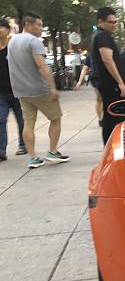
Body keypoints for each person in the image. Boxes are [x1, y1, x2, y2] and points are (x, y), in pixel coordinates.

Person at [7, 12, 69, 168]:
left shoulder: (12, 42)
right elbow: (42, 65)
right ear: (28, 25)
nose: (41, 28)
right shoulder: (34, 41)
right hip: (40, 89)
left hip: (21, 91)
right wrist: (52, 87)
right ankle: (53, 152)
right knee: (55, 118)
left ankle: (33, 158)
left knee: (28, 123)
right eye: (39, 25)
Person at [90, 7, 125, 145]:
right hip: (110, 85)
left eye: (115, 22)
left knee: (113, 116)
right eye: (111, 22)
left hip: (107, 84)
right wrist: (120, 82)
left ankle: (112, 146)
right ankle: (113, 146)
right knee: (114, 117)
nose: (114, 25)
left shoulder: (99, 36)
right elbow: (107, 59)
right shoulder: (102, 36)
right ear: (101, 21)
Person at [0, 17, 26, 161]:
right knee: (0, 120)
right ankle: (1, 150)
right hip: (1, 92)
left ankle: (23, 145)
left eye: (1, 27)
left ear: (7, 30)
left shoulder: (13, 46)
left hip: (17, 89)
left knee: (21, 120)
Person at [74, 53, 103, 126]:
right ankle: (103, 118)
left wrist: (80, 81)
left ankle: (100, 119)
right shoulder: (106, 52)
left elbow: (85, 68)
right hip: (105, 78)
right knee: (104, 99)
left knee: (99, 99)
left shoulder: (91, 55)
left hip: (95, 79)